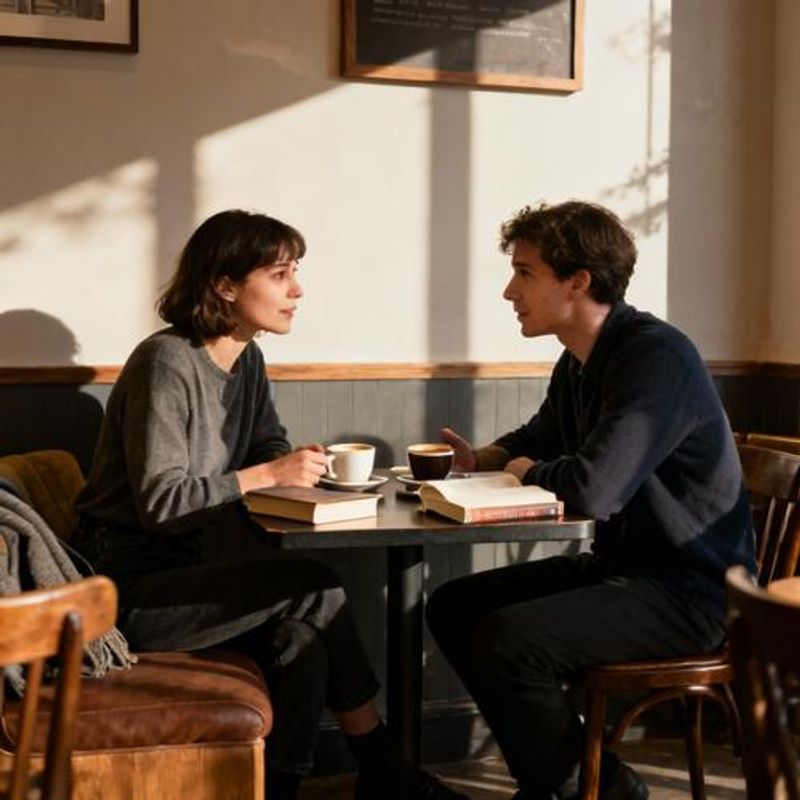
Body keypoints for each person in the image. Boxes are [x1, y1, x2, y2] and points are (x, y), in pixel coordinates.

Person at [73, 209, 467, 800]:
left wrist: (298, 469)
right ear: (225, 285)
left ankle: (285, 789)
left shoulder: (246, 358)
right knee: (318, 586)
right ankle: (386, 770)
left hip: (185, 571)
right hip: (122, 589)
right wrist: (266, 475)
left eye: (295, 273)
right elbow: (161, 502)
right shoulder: (167, 362)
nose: (297, 290)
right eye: (280, 275)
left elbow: (266, 445)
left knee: (300, 643)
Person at [426, 201, 756, 800]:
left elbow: (594, 490)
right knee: (454, 606)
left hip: (692, 592)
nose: (509, 291)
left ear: (578, 281)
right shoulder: (580, 360)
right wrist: (486, 458)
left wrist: (527, 470)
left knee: (509, 641)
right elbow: (540, 437)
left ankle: (592, 790)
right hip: (624, 570)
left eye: (524, 273)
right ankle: (588, 785)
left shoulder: (655, 356)